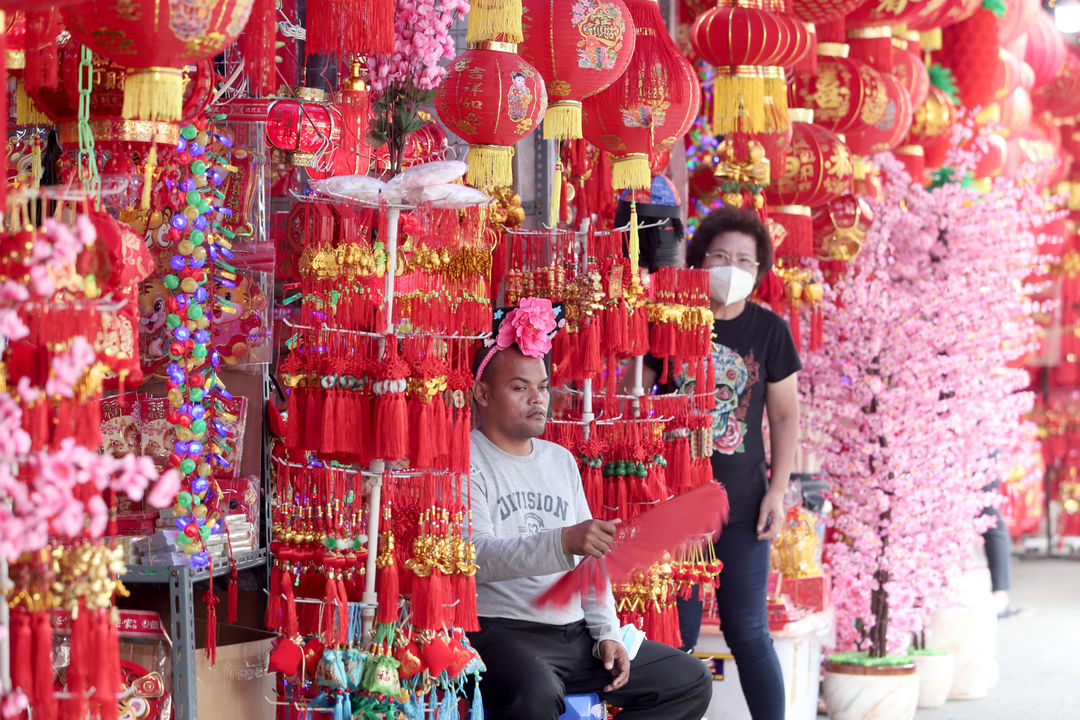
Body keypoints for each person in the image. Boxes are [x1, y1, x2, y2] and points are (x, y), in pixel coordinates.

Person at [466, 299, 712, 720]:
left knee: (688, 680)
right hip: (504, 633)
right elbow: (477, 558)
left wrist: (607, 635)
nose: (537, 399)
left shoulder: (559, 459)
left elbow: (590, 564)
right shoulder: (467, 459)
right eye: (520, 387)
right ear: (483, 393)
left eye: (542, 387)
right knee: (534, 695)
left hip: (575, 635)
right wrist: (563, 542)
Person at [641, 206, 801, 720]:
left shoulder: (770, 331)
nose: (732, 267)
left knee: (748, 631)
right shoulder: (664, 319)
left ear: (758, 271)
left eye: (744, 260)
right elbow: (636, 400)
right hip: (675, 503)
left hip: (744, 502)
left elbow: (784, 417)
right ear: (700, 260)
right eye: (721, 256)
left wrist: (778, 493)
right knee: (678, 634)